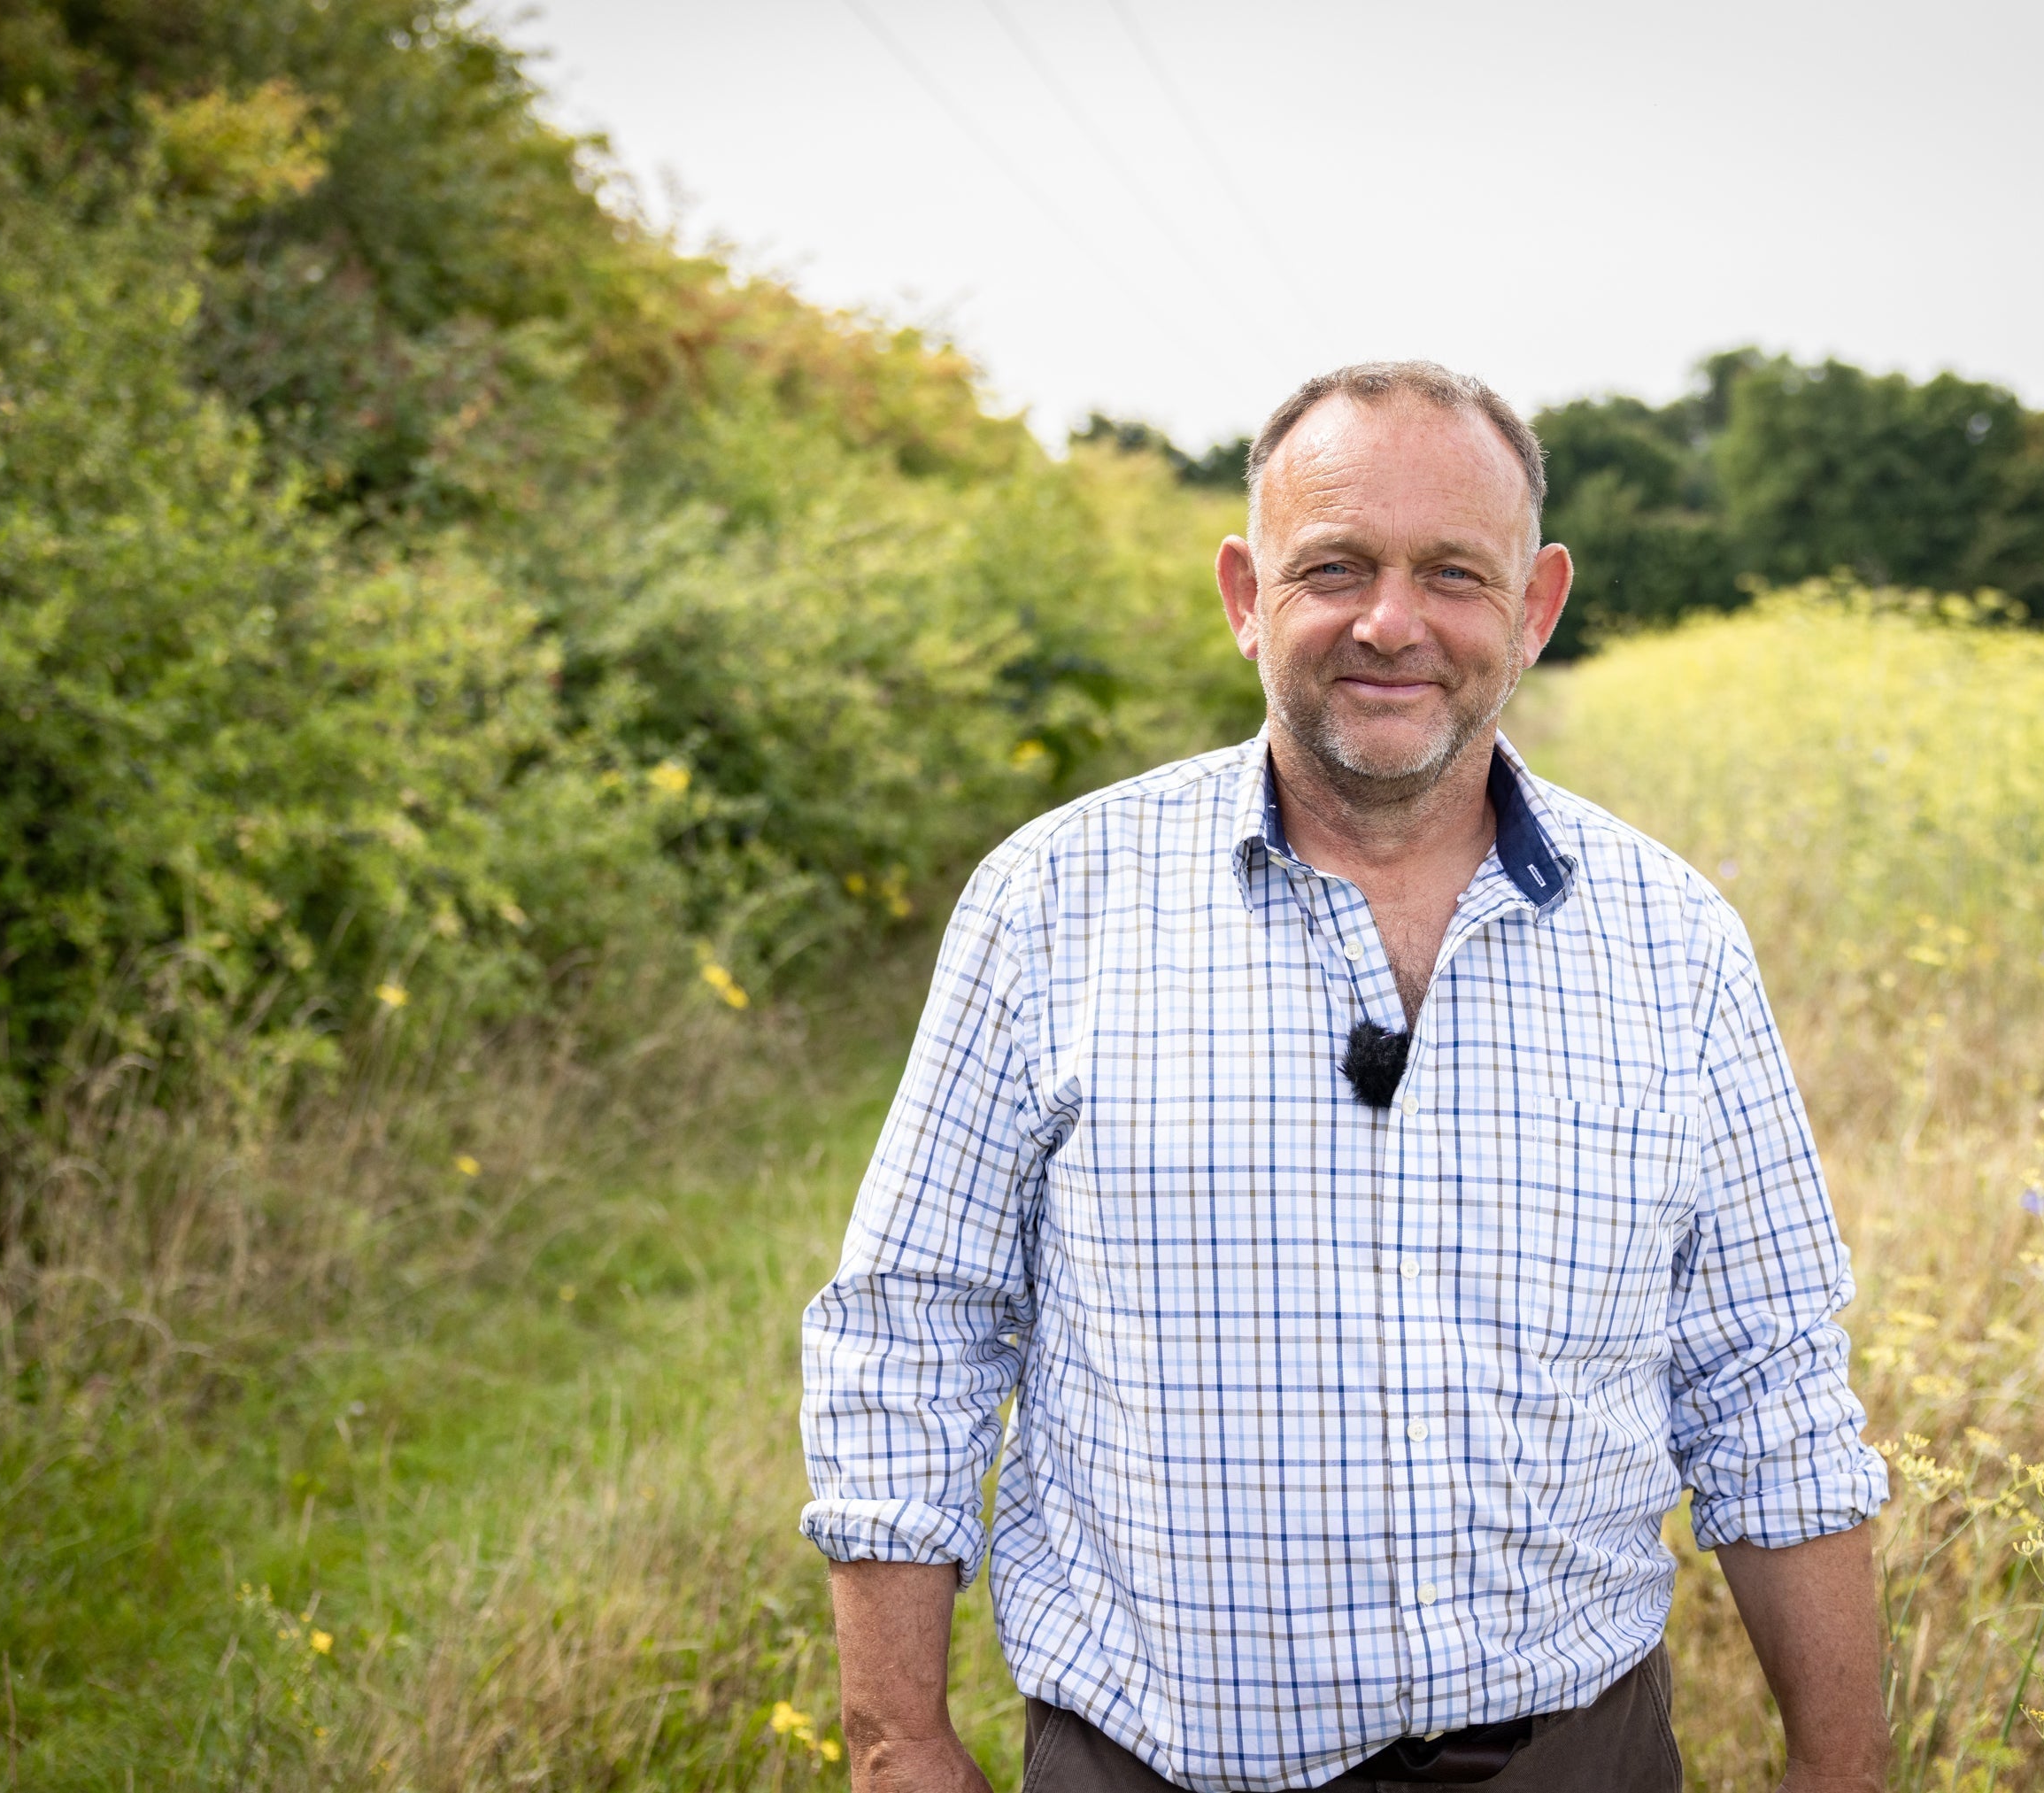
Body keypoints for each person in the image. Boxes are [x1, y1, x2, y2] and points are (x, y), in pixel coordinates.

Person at [798, 361, 1888, 1793]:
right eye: (1336, 567)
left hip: (1575, 1759)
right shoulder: (1049, 904)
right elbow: (910, 1334)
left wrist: (1845, 1765)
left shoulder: (1675, 940)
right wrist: (897, 1745)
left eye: (1453, 572)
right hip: (1152, 1763)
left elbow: (1770, 1381)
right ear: (1248, 594)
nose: (1392, 623)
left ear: (1535, 604)